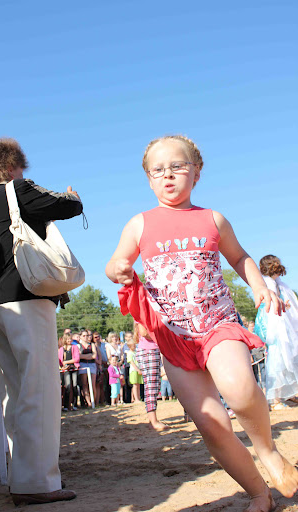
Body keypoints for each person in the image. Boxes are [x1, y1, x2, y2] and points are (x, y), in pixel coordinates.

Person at [106, 134, 298, 511]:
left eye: (178, 166)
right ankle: (259, 493)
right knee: (211, 423)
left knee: (240, 388)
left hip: (217, 323)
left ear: (197, 171)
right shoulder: (139, 224)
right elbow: (114, 263)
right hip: (172, 336)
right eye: (158, 170)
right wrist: (119, 269)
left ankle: (269, 451)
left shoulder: (213, 219)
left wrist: (259, 285)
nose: (169, 176)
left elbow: (240, 257)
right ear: (148, 179)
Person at [0, 137, 82, 505]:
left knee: (13, 395)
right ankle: (39, 484)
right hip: (25, 301)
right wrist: (73, 195)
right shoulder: (15, 190)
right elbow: (67, 207)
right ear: (10, 166)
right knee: (40, 391)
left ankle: (22, 478)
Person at [254, 255, 298, 409]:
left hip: (283, 328)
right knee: (277, 361)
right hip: (274, 329)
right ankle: (276, 399)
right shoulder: (268, 284)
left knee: (286, 361)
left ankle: (287, 394)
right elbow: (268, 307)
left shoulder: (278, 284)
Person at [134, 322, 168, 430]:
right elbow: (144, 332)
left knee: (153, 385)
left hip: (152, 350)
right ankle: (153, 421)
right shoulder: (142, 309)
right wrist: (161, 337)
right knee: (151, 386)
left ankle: (152, 420)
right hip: (149, 351)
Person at [78, 330, 97, 406]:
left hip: (92, 365)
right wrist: (89, 356)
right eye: (84, 336)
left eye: (87, 335)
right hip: (83, 365)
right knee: (84, 384)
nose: (86, 337)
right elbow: (79, 356)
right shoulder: (78, 346)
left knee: (92, 384)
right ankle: (89, 402)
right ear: (80, 337)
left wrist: (87, 356)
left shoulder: (92, 345)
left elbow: (94, 356)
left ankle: (94, 402)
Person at [126, 338, 143, 403]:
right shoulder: (129, 353)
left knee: (138, 385)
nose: (135, 346)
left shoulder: (136, 352)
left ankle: (138, 398)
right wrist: (137, 369)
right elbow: (132, 362)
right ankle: (136, 399)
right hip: (134, 371)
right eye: (133, 345)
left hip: (138, 369)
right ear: (130, 346)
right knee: (135, 385)